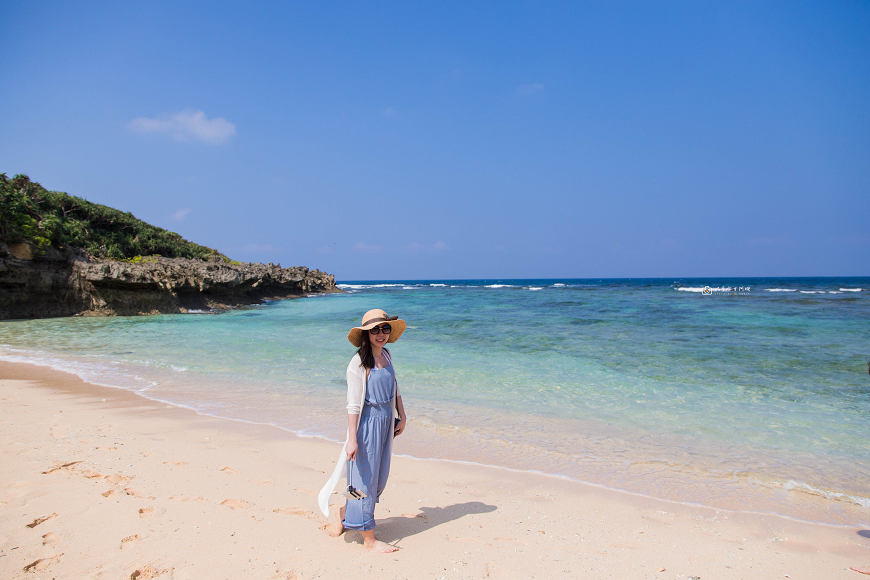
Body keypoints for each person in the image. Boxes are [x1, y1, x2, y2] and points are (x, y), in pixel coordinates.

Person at [318, 309, 407, 553]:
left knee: (378, 480)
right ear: (366, 334)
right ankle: (369, 539)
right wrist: (352, 438)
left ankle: (343, 513)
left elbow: (395, 388)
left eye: (385, 328)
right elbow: (353, 404)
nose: (381, 334)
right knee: (362, 482)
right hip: (367, 425)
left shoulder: (387, 355)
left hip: (386, 423)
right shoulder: (358, 363)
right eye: (375, 330)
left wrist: (402, 415)